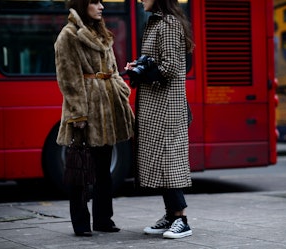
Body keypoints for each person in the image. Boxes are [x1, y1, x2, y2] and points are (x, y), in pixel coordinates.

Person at [54, 0, 134, 237]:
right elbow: (68, 78)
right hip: (86, 110)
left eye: (101, 2)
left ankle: (103, 219)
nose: (101, 7)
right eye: (94, 2)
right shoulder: (68, 35)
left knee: (103, 169)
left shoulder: (101, 32)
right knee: (81, 170)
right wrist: (78, 113)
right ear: (81, 4)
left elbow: (114, 70)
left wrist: (121, 91)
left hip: (107, 108)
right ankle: (80, 223)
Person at [124, 0, 194, 239]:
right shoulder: (156, 22)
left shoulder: (169, 23)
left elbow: (171, 67)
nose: (140, 0)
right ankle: (171, 215)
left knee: (169, 161)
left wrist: (141, 72)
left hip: (167, 107)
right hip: (156, 106)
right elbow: (157, 61)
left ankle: (182, 219)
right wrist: (139, 67)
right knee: (159, 160)